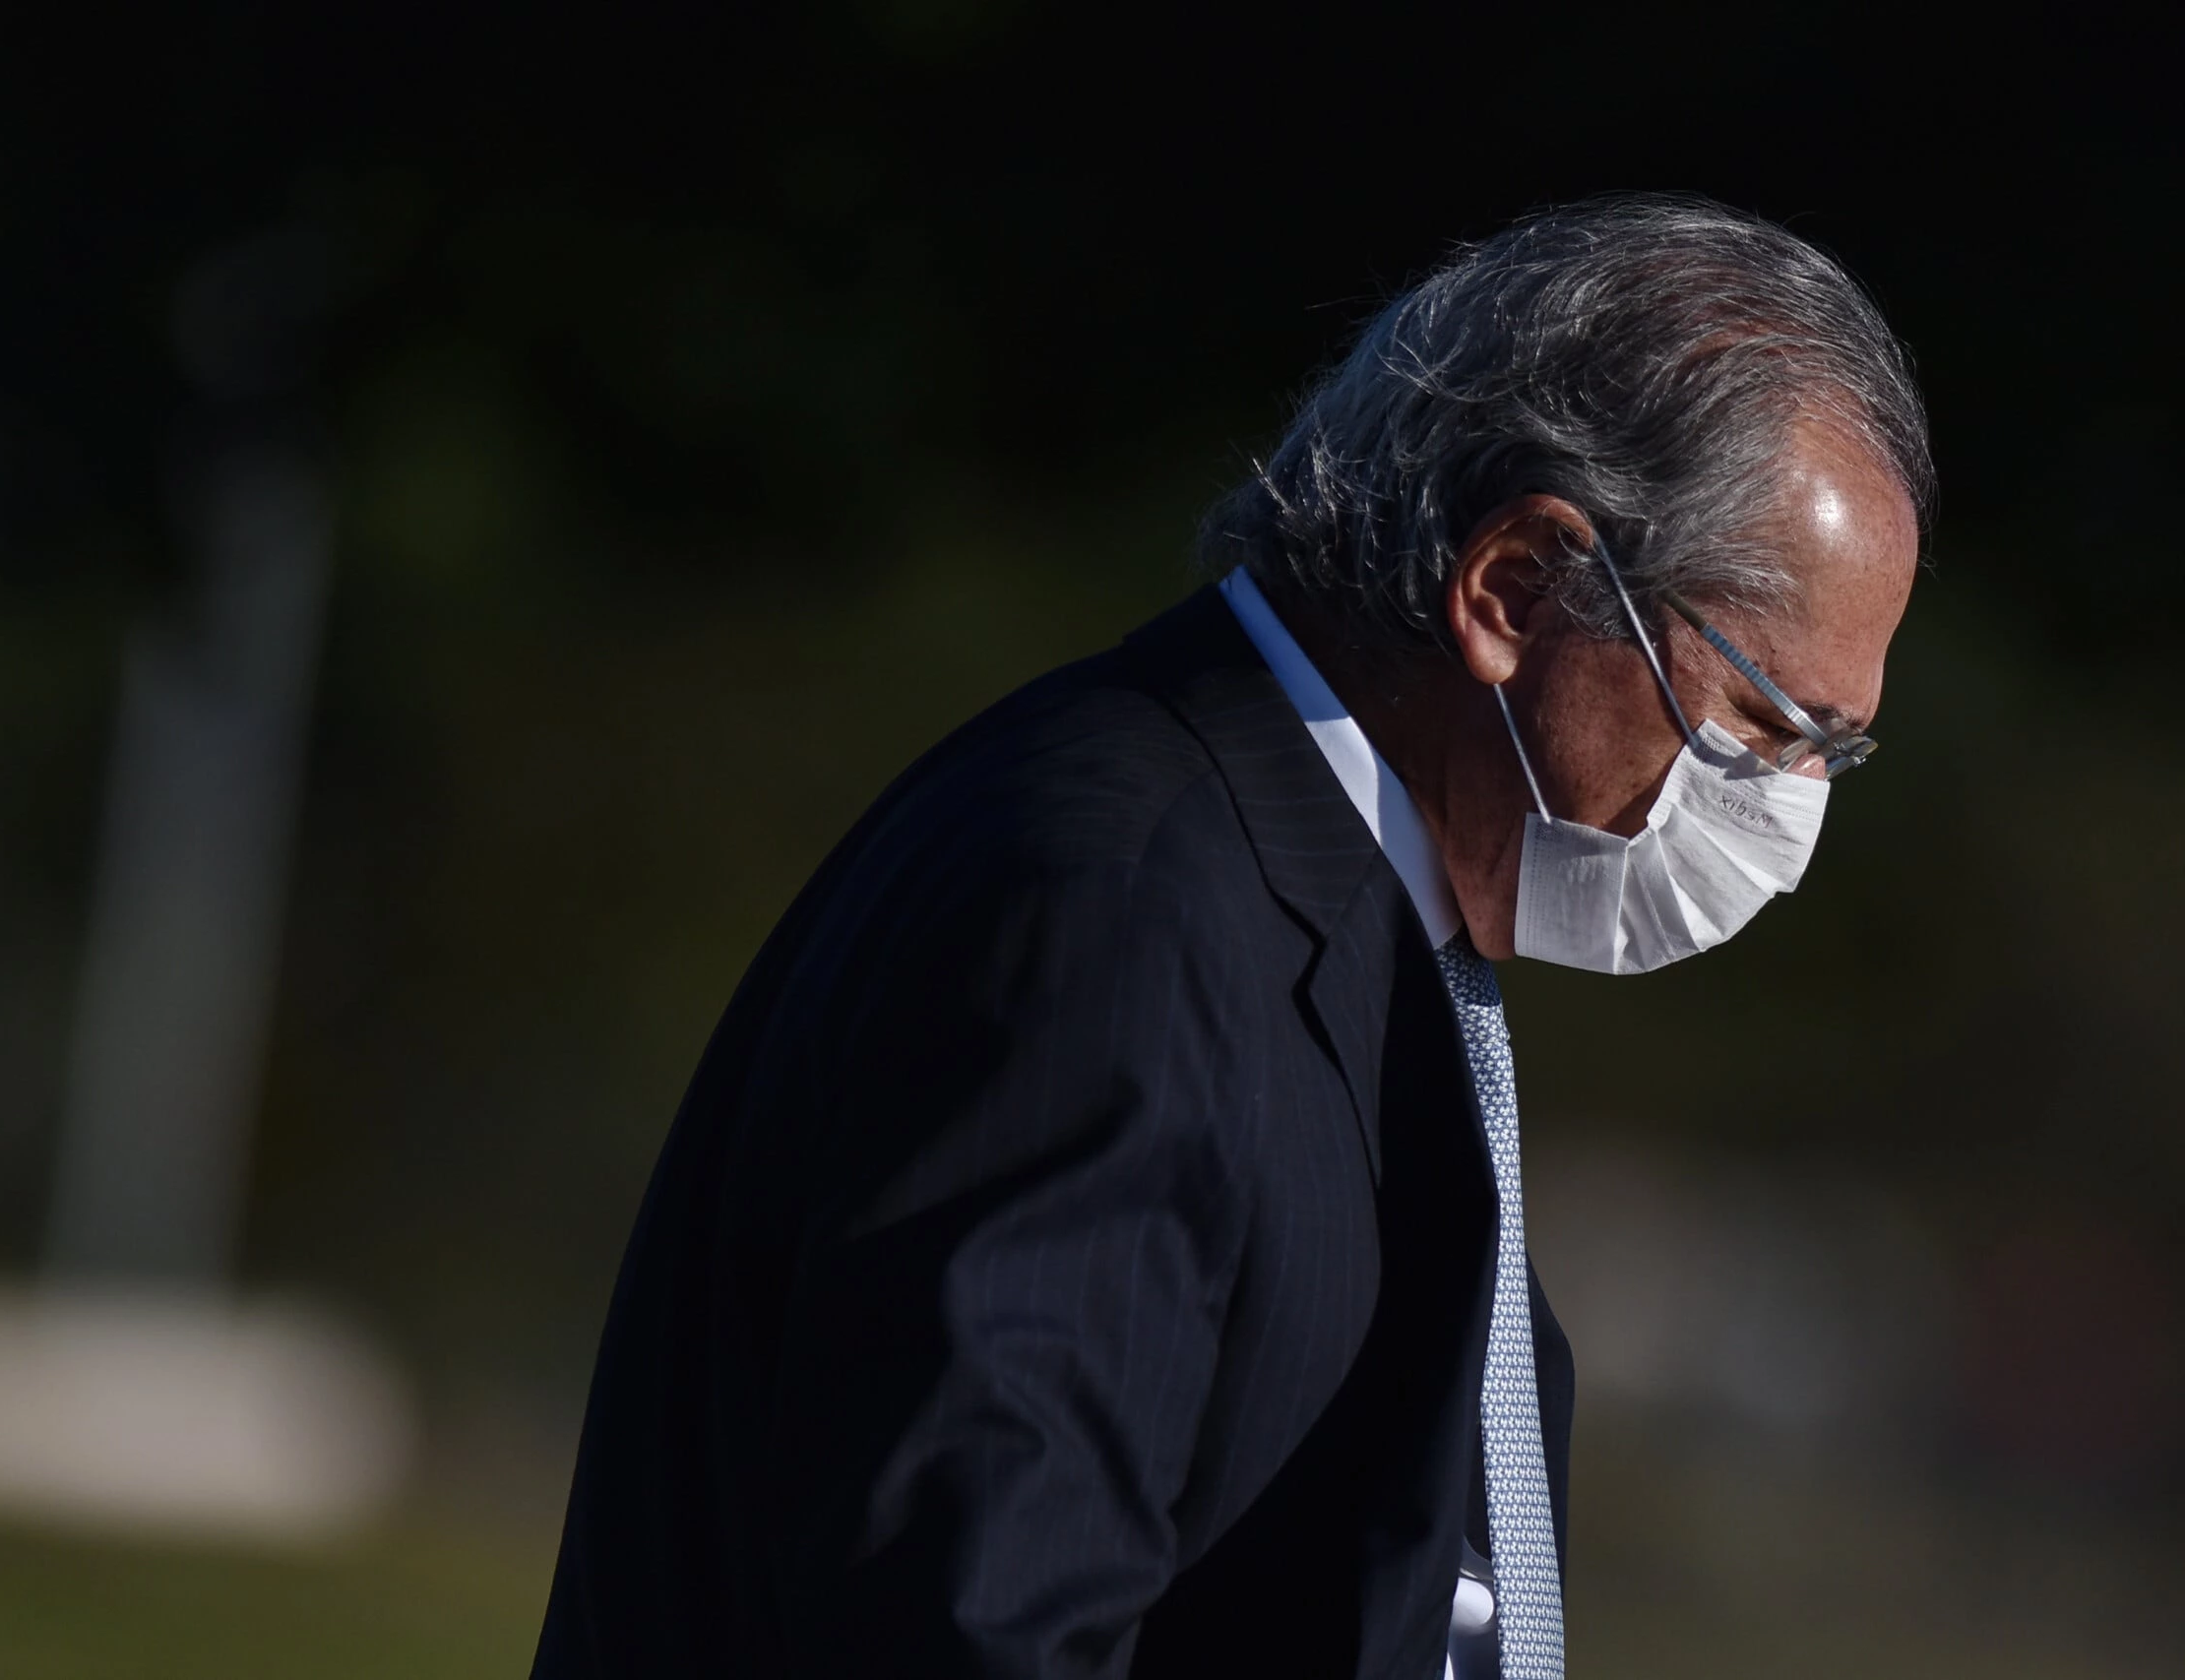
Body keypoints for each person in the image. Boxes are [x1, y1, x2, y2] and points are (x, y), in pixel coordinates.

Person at [532, 194, 1931, 1679]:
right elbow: (970, 1615)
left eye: (1833, 757)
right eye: (1768, 726)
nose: (1782, 813)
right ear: (1514, 589)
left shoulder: (1366, 933)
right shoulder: (1122, 902)